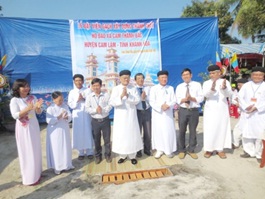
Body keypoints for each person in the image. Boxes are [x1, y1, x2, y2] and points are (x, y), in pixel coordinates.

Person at [9, 79, 43, 185]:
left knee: (36, 149)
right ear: (17, 88)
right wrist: (27, 109)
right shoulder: (15, 100)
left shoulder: (32, 98)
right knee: (27, 151)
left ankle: (37, 173)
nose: (26, 88)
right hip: (24, 128)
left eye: (27, 86)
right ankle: (30, 178)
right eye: (23, 86)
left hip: (34, 125)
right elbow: (15, 115)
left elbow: (38, 111)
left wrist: (37, 108)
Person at [109, 69, 143, 165]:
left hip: (131, 116)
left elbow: (137, 100)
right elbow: (112, 102)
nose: (126, 79)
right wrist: (120, 97)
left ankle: (132, 156)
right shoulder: (116, 89)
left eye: (127, 78)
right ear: (120, 78)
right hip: (120, 117)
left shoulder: (133, 88)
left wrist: (128, 96)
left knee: (131, 135)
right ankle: (122, 156)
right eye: (124, 78)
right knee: (122, 135)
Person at [202, 65, 233, 159]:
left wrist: (224, 88)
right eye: (210, 73)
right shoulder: (206, 83)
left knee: (221, 128)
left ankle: (220, 149)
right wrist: (211, 90)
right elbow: (205, 95)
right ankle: (209, 149)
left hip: (222, 110)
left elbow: (229, 95)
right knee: (210, 129)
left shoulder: (225, 82)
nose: (211, 75)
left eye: (213, 73)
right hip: (210, 110)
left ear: (219, 73)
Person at [175, 68, 203, 159]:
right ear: (182, 77)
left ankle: (191, 150)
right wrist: (185, 99)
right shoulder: (179, 86)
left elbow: (201, 97)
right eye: (184, 75)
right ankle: (181, 150)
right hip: (183, 110)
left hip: (193, 110)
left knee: (193, 131)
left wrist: (192, 99)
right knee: (182, 131)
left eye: (187, 74)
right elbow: (177, 99)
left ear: (191, 75)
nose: (186, 76)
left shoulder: (197, 85)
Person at [238, 67, 265, 160]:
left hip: (260, 114)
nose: (257, 76)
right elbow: (240, 97)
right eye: (255, 74)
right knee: (246, 133)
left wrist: (256, 107)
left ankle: (259, 154)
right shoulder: (246, 85)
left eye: (260, 75)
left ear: (263, 76)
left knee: (259, 135)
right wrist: (246, 106)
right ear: (251, 75)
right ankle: (249, 151)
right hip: (247, 113)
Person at [149, 70, 177, 159]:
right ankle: (159, 150)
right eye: (162, 77)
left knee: (168, 131)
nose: (164, 79)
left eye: (165, 77)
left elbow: (174, 100)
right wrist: (161, 106)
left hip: (168, 114)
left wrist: (168, 105)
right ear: (158, 78)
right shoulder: (153, 89)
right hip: (158, 114)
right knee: (158, 131)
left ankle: (169, 150)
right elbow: (151, 101)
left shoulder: (170, 88)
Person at [46, 91, 74, 175]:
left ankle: (67, 165)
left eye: (62, 100)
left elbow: (70, 116)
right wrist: (59, 117)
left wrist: (67, 117)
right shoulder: (50, 108)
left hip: (64, 129)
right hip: (54, 131)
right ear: (54, 100)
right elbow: (49, 120)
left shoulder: (65, 106)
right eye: (59, 100)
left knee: (65, 146)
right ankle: (57, 167)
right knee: (57, 148)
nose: (61, 102)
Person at [85, 78, 112, 164]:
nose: (96, 87)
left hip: (105, 120)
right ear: (92, 87)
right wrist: (95, 110)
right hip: (95, 121)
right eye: (94, 86)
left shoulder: (106, 95)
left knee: (107, 139)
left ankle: (108, 155)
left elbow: (110, 105)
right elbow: (86, 108)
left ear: (101, 86)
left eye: (97, 85)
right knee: (96, 139)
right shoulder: (89, 97)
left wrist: (103, 110)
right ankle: (98, 156)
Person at [68, 74, 94, 160]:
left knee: (88, 131)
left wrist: (84, 98)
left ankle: (90, 151)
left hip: (86, 114)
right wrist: (77, 100)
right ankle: (81, 152)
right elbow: (71, 105)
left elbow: (91, 101)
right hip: (77, 114)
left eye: (80, 80)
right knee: (78, 132)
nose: (78, 82)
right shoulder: (72, 92)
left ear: (83, 81)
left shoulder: (88, 90)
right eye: (76, 80)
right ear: (74, 82)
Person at [134, 73, 152, 157]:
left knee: (148, 132)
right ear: (135, 80)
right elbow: (134, 101)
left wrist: (145, 97)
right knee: (137, 132)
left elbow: (151, 99)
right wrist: (141, 98)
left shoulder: (148, 88)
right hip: (138, 112)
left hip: (147, 111)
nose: (141, 80)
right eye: (138, 78)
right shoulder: (133, 89)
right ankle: (138, 150)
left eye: (142, 78)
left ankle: (147, 149)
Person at [231, 78, 248, 149]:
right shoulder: (237, 92)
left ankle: (247, 148)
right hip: (243, 115)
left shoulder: (250, 92)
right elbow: (233, 100)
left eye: (240, 85)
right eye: (238, 85)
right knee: (237, 129)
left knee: (246, 131)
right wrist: (237, 103)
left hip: (250, 114)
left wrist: (240, 104)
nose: (238, 87)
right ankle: (236, 144)